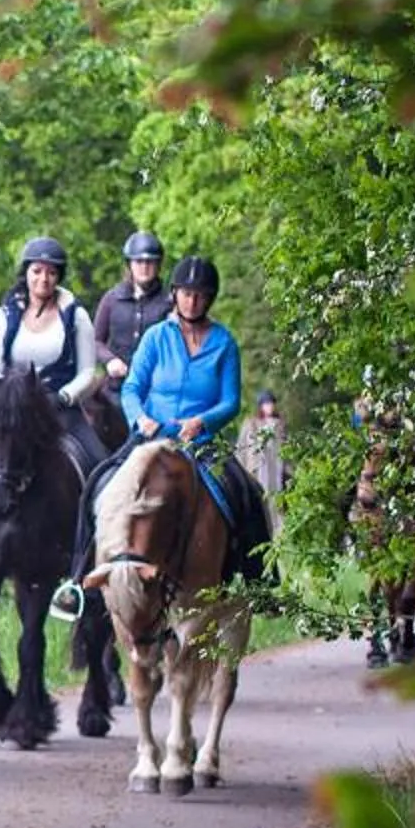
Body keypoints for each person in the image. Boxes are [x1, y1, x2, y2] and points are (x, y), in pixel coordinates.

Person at [64, 252, 269, 605]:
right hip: (150, 436)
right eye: (186, 293)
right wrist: (139, 418)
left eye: (200, 294)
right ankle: (77, 579)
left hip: (200, 441)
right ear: (174, 294)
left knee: (246, 490)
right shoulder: (157, 337)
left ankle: (261, 582)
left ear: (210, 298)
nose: (192, 300)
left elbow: (231, 401)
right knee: (97, 483)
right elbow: (132, 387)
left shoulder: (224, 343)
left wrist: (202, 421)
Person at [0, 236, 105, 577]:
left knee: (100, 467)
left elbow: (88, 371)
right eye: (37, 271)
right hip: (12, 411)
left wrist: (65, 396)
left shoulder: (76, 316)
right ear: (26, 273)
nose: (44, 279)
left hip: (60, 410)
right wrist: (14, 396)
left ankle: (93, 554)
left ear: (59, 277)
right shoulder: (7, 312)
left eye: (51, 273)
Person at [91, 229, 174, 392]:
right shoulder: (111, 299)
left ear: (158, 265)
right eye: (139, 262)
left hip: (155, 391)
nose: (144, 267)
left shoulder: (169, 302)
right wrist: (109, 360)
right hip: (115, 389)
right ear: (129, 264)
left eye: (150, 262)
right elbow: (95, 341)